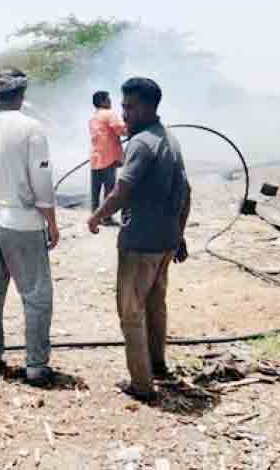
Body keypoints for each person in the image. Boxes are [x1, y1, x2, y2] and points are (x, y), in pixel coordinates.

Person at [87, 77, 191, 402]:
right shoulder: (169, 139)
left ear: (147, 107)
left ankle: (142, 385)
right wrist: (180, 233)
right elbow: (185, 192)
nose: (124, 113)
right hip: (165, 241)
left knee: (131, 312)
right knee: (155, 306)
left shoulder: (142, 143)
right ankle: (158, 366)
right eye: (123, 106)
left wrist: (97, 216)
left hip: (140, 243)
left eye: (129, 106)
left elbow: (122, 190)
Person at [0, 67, 60, 386]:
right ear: (22, 93)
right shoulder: (32, 129)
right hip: (22, 223)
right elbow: (42, 181)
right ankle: (35, 366)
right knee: (36, 295)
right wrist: (51, 222)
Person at [89, 91, 126, 224]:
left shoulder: (93, 117)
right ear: (103, 101)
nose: (110, 101)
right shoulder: (109, 114)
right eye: (108, 99)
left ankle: (94, 216)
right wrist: (136, 131)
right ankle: (106, 217)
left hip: (95, 158)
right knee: (109, 190)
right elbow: (120, 129)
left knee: (95, 190)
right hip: (108, 157)